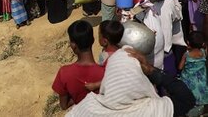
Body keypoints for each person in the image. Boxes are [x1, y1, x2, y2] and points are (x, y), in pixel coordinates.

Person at [66, 46, 195, 117]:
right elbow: (187, 99)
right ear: (138, 79)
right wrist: (150, 70)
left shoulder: (89, 107)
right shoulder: (154, 110)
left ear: (109, 77)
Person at [52, 20, 105, 110]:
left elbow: (64, 106)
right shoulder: (105, 72)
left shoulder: (64, 72)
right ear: (92, 40)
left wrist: (76, 98)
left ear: (73, 45)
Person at [178, 31, 208, 107]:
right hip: (201, 78)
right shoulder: (204, 52)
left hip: (189, 79)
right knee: (202, 90)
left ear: (188, 43)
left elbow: (180, 67)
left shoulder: (186, 54)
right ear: (203, 44)